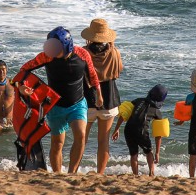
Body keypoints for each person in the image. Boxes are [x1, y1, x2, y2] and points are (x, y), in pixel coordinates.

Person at [14, 27, 103, 173]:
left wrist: (99, 94)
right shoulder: (47, 57)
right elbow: (24, 69)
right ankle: (57, 175)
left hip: (78, 104)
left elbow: (92, 75)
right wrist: (22, 86)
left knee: (80, 136)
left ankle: (72, 172)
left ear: (66, 45)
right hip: (55, 107)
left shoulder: (82, 54)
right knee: (57, 143)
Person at [81, 18, 123, 174]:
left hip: (87, 100)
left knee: (81, 139)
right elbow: (119, 70)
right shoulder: (114, 53)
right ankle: (100, 173)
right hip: (109, 101)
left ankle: (74, 168)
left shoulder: (83, 53)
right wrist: (112, 48)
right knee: (103, 141)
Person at [112, 84, 167, 176]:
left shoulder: (138, 100)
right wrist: (157, 153)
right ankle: (152, 173)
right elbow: (158, 134)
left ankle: (135, 175)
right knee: (149, 152)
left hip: (128, 130)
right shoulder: (157, 112)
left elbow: (124, 114)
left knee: (134, 154)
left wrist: (116, 129)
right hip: (141, 132)